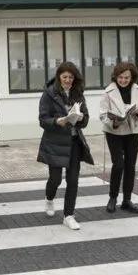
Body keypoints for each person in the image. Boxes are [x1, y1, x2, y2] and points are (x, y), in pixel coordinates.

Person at [37, 62, 95, 231]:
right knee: (55, 179)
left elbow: (86, 119)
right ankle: (49, 198)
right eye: (64, 77)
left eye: (71, 77)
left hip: (74, 142)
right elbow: (42, 119)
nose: (68, 80)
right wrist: (57, 121)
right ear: (58, 77)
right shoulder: (49, 94)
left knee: (73, 180)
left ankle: (68, 215)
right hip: (55, 142)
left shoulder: (78, 93)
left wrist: (81, 118)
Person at [99, 62, 138, 214]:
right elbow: (102, 115)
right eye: (120, 77)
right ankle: (112, 198)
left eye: (126, 77)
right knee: (118, 164)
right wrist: (113, 121)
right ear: (116, 77)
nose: (123, 80)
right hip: (114, 132)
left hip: (133, 132)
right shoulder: (108, 92)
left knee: (130, 166)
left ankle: (127, 200)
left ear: (132, 77)